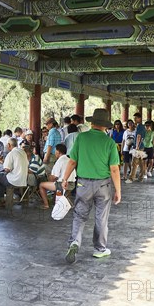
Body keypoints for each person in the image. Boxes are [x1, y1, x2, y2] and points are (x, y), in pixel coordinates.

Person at [61, 108, 121, 264]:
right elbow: (114, 169)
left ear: (92, 122)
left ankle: (74, 242)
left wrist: (65, 178)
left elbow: (72, 161)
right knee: (101, 218)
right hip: (103, 186)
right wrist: (118, 191)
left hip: (83, 184)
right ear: (106, 126)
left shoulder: (81, 138)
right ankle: (100, 249)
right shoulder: (110, 142)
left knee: (79, 216)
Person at [39, 144, 76, 209]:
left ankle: (46, 205)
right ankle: (58, 201)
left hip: (62, 185)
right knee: (54, 185)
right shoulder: (69, 159)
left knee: (41, 185)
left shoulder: (60, 161)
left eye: (55, 151)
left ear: (58, 152)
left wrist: (49, 176)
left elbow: (54, 177)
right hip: (72, 184)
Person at [126, 112, 146, 183]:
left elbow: (139, 137)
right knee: (141, 163)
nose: (134, 119)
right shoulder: (140, 126)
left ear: (139, 118)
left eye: (136, 118)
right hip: (141, 146)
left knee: (134, 163)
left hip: (138, 147)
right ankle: (141, 177)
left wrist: (137, 147)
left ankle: (131, 178)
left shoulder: (140, 127)